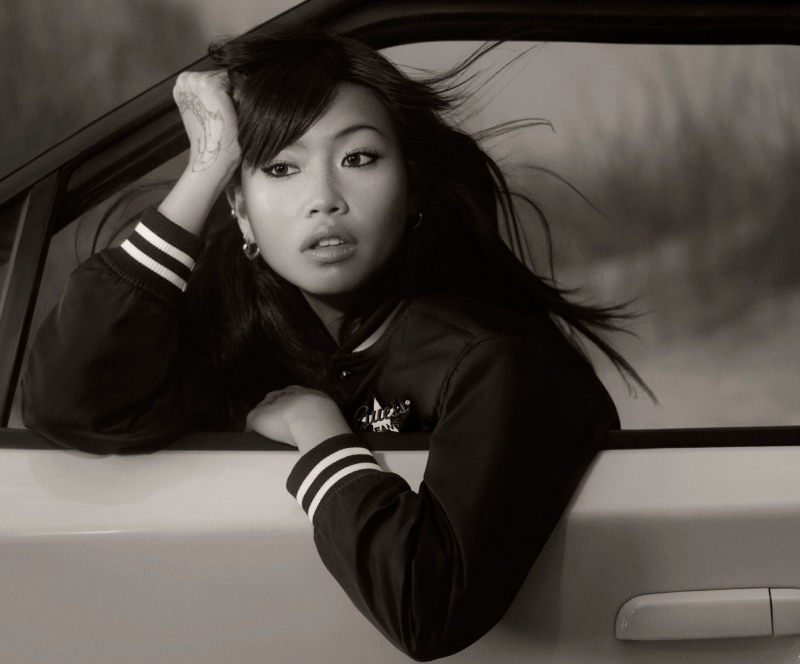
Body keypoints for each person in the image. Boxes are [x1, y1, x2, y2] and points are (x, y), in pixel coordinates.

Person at [21, 29, 643, 661]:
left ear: (412, 187)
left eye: (359, 158)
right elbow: (69, 400)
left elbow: (430, 607)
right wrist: (204, 171)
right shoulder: (244, 350)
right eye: (281, 168)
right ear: (241, 210)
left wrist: (317, 429)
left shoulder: (494, 363)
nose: (323, 201)